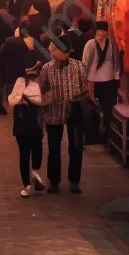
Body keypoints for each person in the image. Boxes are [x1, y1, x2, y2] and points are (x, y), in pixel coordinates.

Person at [38, 41, 88, 194]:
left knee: (76, 147)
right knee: (53, 148)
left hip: (75, 112)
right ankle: (54, 181)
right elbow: (42, 89)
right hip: (53, 112)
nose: (54, 52)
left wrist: (79, 99)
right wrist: (46, 99)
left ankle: (74, 181)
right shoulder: (47, 69)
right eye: (53, 50)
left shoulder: (79, 66)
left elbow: (85, 88)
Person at [8, 63, 46, 197]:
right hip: (22, 123)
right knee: (24, 153)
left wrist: (32, 101)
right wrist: (20, 99)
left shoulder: (42, 82)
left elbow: (45, 99)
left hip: (35, 123)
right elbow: (11, 99)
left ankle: (35, 173)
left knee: (36, 150)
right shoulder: (20, 81)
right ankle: (27, 184)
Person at [82, 22, 121, 143]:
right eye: (99, 31)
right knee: (91, 109)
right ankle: (92, 136)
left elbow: (116, 61)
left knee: (107, 109)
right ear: (96, 31)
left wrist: (116, 76)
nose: (101, 34)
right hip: (92, 81)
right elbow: (85, 62)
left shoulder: (112, 45)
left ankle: (106, 136)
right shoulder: (90, 44)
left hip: (108, 81)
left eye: (103, 31)